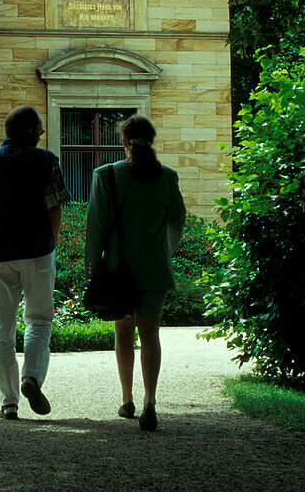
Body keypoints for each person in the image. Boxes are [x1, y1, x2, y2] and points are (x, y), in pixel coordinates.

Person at [0, 105, 70, 420]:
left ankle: (8, 401)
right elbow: (55, 208)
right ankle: (31, 378)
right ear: (29, 131)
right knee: (38, 321)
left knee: (2, 328)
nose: (42, 132)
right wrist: (51, 243)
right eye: (38, 127)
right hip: (37, 251)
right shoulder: (46, 160)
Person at [85, 115, 186, 432]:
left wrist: (92, 268)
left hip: (118, 269)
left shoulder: (107, 176)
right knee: (151, 336)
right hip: (154, 268)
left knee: (123, 334)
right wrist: (164, 252)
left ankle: (127, 399)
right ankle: (150, 402)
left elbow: (96, 227)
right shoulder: (168, 177)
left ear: (123, 142)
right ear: (151, 140)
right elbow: (177, 221)